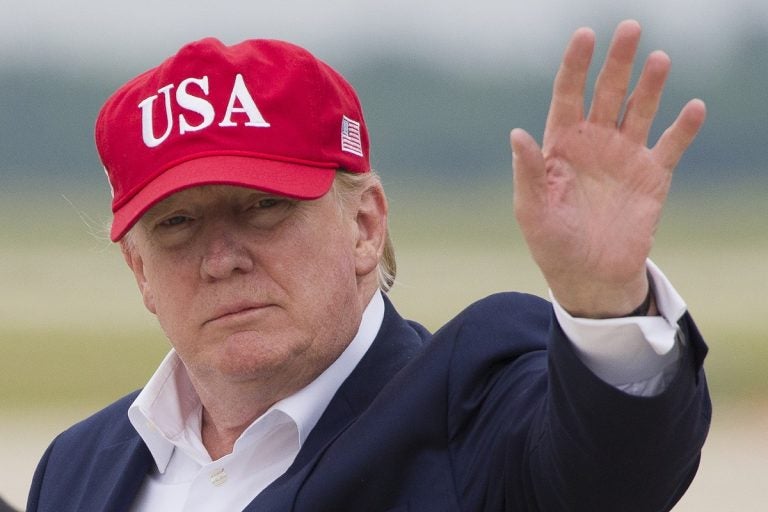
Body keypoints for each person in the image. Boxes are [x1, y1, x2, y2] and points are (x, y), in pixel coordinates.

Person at [28, 19, 710, 511]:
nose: (221, 259)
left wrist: (606, 304)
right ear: (140, 271)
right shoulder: (78, 467)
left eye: (264, 206)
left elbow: (613, 475)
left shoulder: (474, 413)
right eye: (176, 224)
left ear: (364, 224)